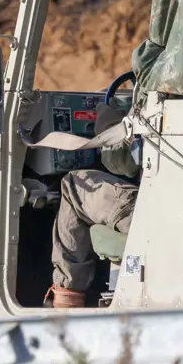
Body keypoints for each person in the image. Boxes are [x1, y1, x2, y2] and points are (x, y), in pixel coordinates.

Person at [44, 118, 141, 309]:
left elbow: (122, 164)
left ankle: (68, 297)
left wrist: (108, 121)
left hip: (147, 211)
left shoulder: (158, 90)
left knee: (74, 186)